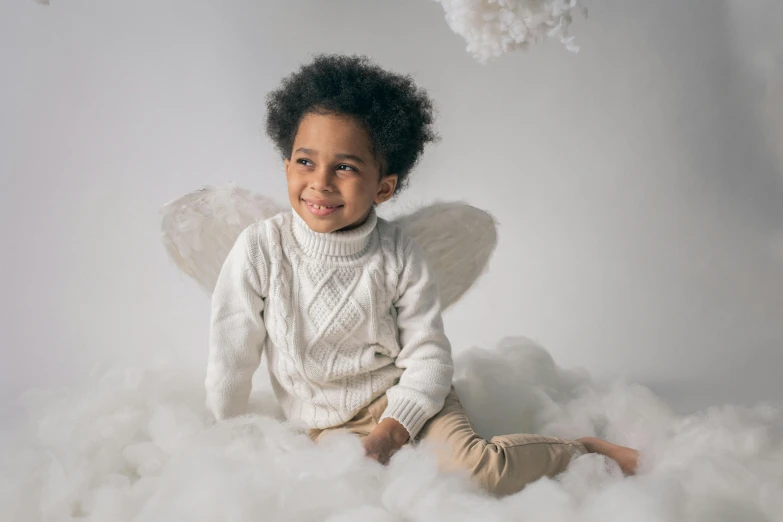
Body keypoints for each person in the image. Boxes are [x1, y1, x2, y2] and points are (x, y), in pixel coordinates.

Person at [205, 53, 638, 497]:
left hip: (412, 401)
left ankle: (582, 453)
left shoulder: (398, 255)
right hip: (325, 424)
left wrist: (393, 431)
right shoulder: (261, 248)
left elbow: (428, 357)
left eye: (346, 166)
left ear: (384, 187)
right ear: (286, 165)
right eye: (305, 161)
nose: (320, 182)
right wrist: (230, 439)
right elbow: (231, 354)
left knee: (478, 474)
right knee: (357, 496)